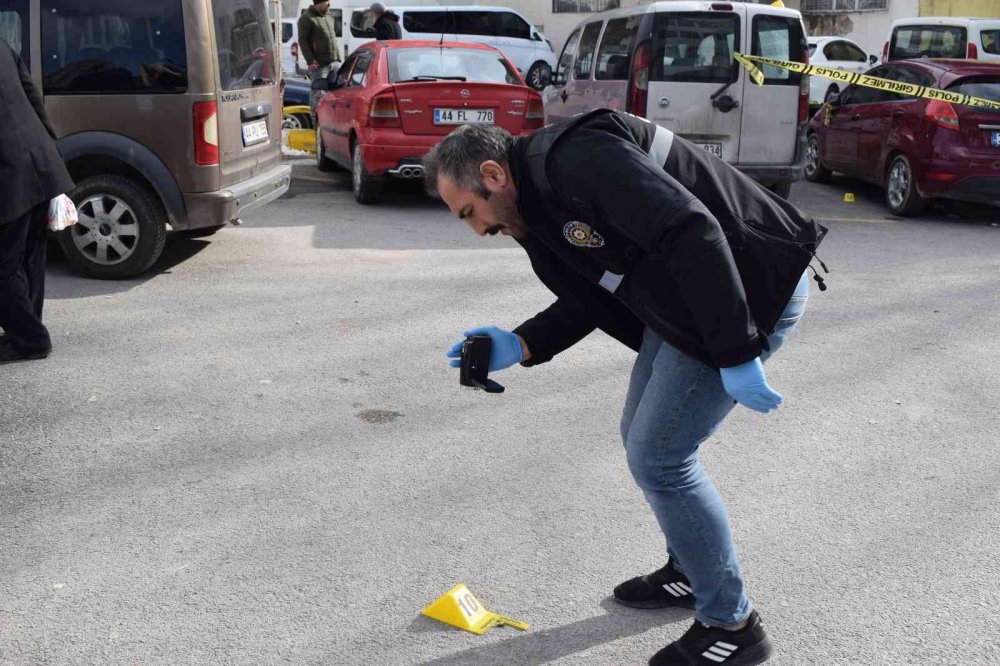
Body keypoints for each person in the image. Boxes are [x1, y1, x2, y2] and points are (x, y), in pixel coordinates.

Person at [423, 110, 827, 666]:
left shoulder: (576, 159)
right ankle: (692, 569)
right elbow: (592, 291)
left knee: (660, 457)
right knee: (639, 434)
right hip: (691, 294)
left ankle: (733, 625)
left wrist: (736, 351)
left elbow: (691, 229)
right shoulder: (530, 207)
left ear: (493, 175)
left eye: (470, 212)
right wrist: (521, 343)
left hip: (750, 285)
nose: (477, 230)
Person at [0, 43, 74, 366]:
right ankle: (27, 330)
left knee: (5, 267)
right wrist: (50, 151)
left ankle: (31, 340)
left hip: (10, 172)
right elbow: (33, 97)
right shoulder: (2, 46)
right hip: (39, 159)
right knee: (30, 256)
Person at [297, 0, 341, 119]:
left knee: (335, 95)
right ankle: (316, 123)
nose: (329, 3)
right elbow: (303, 41)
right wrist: (310, 60)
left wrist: (338, 58)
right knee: (318, 96)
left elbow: (333, 39)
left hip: (334, 63)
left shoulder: (329, 17)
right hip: (320, 65)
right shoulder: (306, 18)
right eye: (326, 1)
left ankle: (332, 122)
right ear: (319, 3)